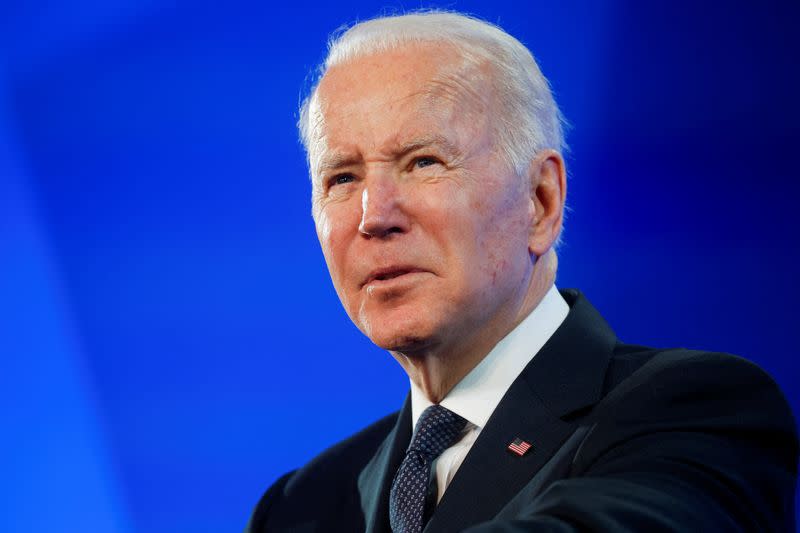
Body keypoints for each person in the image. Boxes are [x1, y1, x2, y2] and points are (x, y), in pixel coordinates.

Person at [246, 11, 798, 532]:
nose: (375, 216)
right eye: (342, 178)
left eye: (423, 163)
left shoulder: (692, 414)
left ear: (540, 202)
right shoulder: (302, 507)